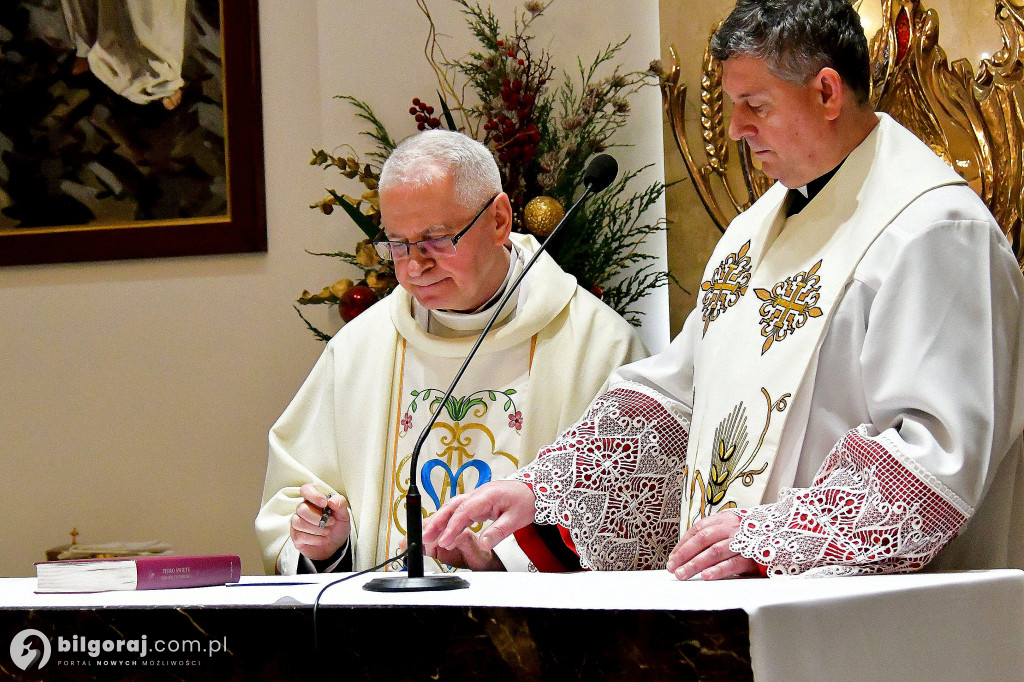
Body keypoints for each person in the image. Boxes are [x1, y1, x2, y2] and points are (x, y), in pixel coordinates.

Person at [423, 0, 1024, 579]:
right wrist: (541, 498)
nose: (736, 129)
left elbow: (941, 451)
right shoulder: (751, 232)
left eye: (754, 105)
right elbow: (678, 406)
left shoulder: (934, 231)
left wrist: (775, 536)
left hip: (887, 624)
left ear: (826, 92)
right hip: (755, 612)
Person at [255, 129, 647, 575]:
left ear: (499, 219)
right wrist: (326, 544)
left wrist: (505, 562)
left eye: (435, 241)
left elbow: (625, 511)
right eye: (397, 245)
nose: (414, 266)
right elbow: (294, 497)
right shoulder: (359, 351)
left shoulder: (598, 346)